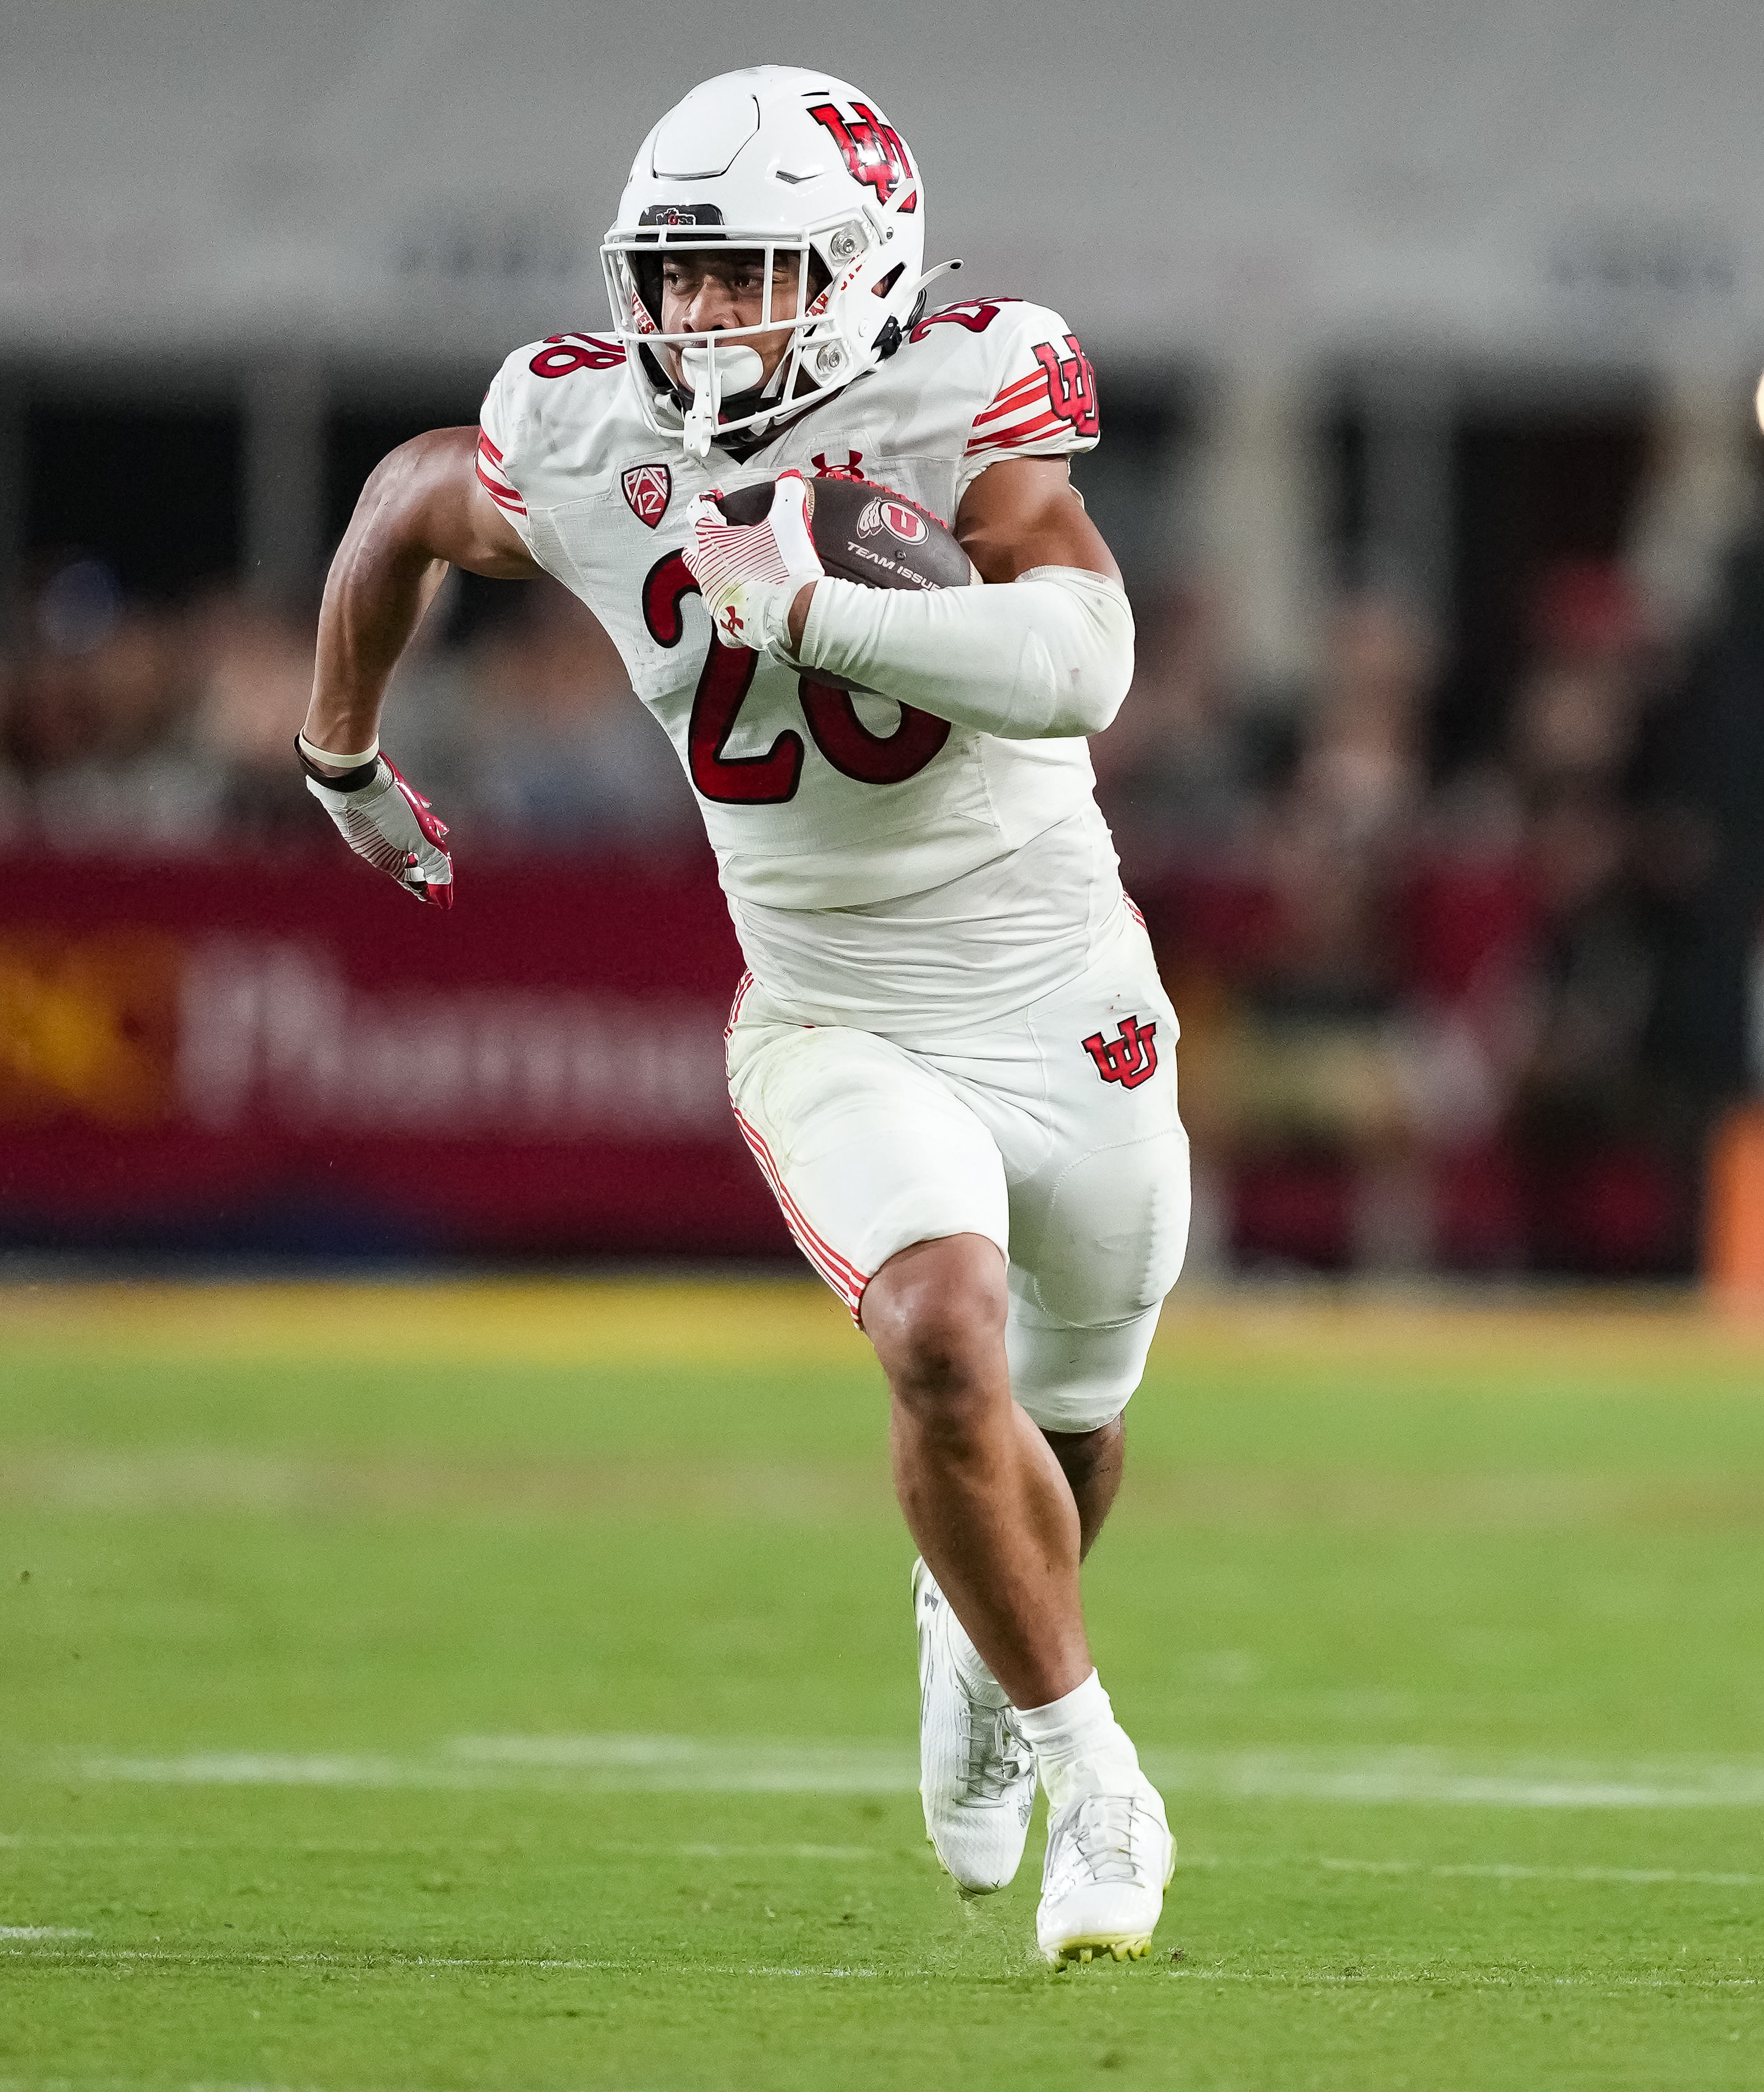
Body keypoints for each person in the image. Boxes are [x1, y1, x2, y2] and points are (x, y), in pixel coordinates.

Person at [297, 67, 1181, 1966]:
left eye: (751, 274)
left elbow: (1088, 658)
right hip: (833, 1009)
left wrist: (830, 616)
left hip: (1061, 991)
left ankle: (976, 1641)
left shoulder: (958, 401)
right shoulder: (590, 432)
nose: (702, 321)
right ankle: (1097, 1775)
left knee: (1079, 1424)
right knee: (944, 1332)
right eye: (678, 280)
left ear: (860, 268)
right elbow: (402, 505)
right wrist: (341, 760)